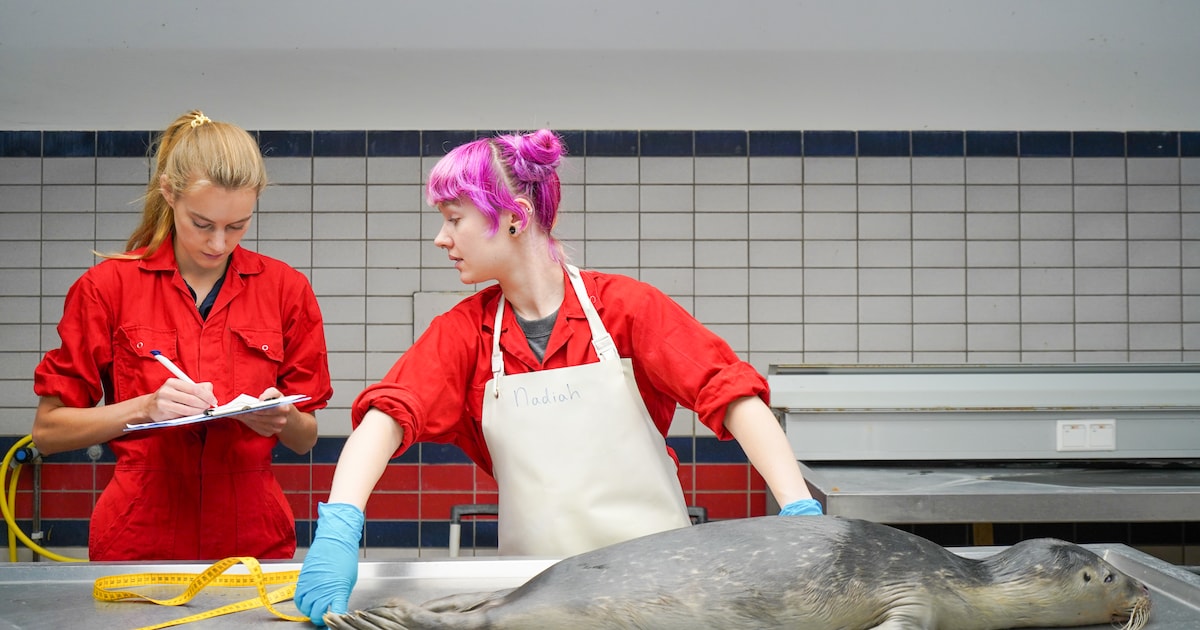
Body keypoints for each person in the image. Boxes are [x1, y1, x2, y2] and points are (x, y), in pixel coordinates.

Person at [295, 129, 821, 624]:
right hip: (536, 596)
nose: (440, 238)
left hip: (659, 584)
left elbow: (734, 397)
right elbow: (387, 416)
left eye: (454, 219)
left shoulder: (628, 310)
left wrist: (800, 515)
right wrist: (340, 526)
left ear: (515, 218)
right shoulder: (465, 333)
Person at [31, 110, 333, 561]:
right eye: (202, 223)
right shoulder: (106, 288)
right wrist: (145, 407)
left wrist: (282, 417)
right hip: (139, 536)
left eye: (237, 226)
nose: (218, 244)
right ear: (169, 194)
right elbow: (47, 432)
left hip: (252, 539)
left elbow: (305, 438)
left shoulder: (286, 290)